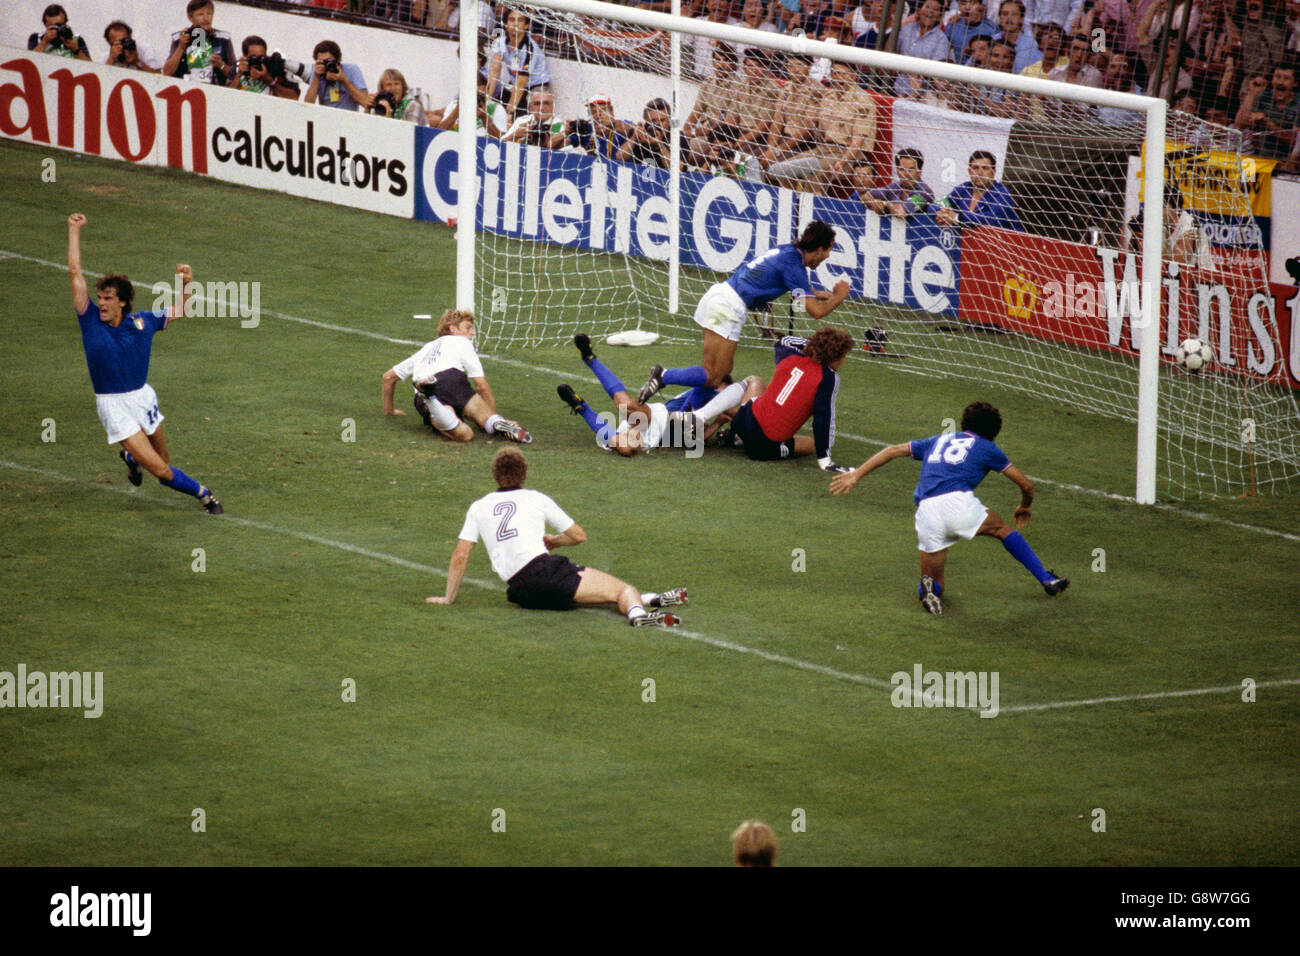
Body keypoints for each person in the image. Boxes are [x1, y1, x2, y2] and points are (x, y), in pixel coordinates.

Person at [829, 401, 1068, 614]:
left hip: (926, 512)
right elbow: (1026, 485)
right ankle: (1046, 579)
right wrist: (1025, 505)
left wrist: (856, 474)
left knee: (935, 582)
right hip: (958, 504)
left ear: (964, 423)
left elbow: (893, 451)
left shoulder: (938, 440)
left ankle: (929, 590)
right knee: (1002, 530)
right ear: (994, 432)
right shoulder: (987, 448)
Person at [65, 214, 223, 515]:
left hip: (142, 396)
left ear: (122, 302)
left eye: (108, 298)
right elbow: (75, 272)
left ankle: (130, 459)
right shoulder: (89, 321)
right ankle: (205, 495)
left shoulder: (143, 321)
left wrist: (185, 283)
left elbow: (183, 310)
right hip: (113, 404)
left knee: (163, 460)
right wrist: (74, 229)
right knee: (160, 471)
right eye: (100, 297)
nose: (102, 303)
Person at [426, 449, 686, 626]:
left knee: (600, 595)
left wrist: (448, 598)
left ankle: (653, 599)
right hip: (545, 573)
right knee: (622, 590)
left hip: (521, 592)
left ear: (495, 475)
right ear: (524, 474)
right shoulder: (536, 498)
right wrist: (554, 541)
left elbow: (461, 554)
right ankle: (638, 614)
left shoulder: (479, 506)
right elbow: (578, 536)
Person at [635, 220, 850, 400]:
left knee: (716, 373)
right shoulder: (795, 267)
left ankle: (689, 413)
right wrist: (840, 295)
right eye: (829, 250)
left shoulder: (788, 251)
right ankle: (664, 376)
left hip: (719, 295)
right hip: (728, 308)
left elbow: (788, 281)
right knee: (713, 375)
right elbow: (816, 312)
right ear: (820, 249)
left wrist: (815, 292)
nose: (828, 256)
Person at [688, 327, 856, 472]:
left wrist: (817, 344)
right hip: (762, 448)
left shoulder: (790, 355)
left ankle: (705, 415)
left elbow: (785, 340)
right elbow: (822, 418)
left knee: (755, 381)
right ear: (835, 356)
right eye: (843, 355)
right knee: (809, 444)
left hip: (743, 421)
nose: (844, 360)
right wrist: (825, 460)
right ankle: (734, 436)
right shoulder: (828, 378)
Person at [556, 335, 743, 457]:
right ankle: (590, 359)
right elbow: (689, 413)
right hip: (658, 417)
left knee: (622, 444)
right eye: (720, 388)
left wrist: (719, 422)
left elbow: (699, 436)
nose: (720, 393)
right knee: (626, 408)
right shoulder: (704, 390)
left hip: (652, 435)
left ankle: (580, 406)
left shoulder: (719, 403)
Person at [381, 309, 531, 443]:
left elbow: (388, 378)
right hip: (453, 379)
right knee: (484, 419)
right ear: (452, 329)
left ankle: (429, 397)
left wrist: (389, 412)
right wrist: (489, 414)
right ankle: (496, 423)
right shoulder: (462, 342)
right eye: (468, 328)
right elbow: (481, 385)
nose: (472, 333)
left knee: (465, 434)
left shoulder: (426, 348)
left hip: (429, 383)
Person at [931, 150, 1023, 231]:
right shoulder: (963, 189)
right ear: (969, 171)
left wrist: (956, 217)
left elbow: (990, 219)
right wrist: (943, 213)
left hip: (1006, 246)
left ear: (993, 172)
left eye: (985, 168)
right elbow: (934, 206)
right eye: (975, 168)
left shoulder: (1002, 193)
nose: (979, 173)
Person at [486, 8, 552, 120]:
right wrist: (487, 99)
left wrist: (509, 111)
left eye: (520, 20)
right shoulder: (500, 42)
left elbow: (522, 83)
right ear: (505, 24)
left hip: (535, 88)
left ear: (526, 26)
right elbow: (494, 71)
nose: (515, 24)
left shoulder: (530, 49)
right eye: (511, 20)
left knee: (515, 117)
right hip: (515, 83)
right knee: (492, 110)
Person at [164, 0, 237, 87]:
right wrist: (181, 47)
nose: (206, 18)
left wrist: (221, 65)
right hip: (184, 89)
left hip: (215, 91)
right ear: (190, 17)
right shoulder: (180, 37)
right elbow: (167, 72)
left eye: (209, 14)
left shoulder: (223, 38)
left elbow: (235, 76)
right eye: (200, 14)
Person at [1235, 61, 1298, 159]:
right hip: (1259, 156)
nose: (1280, 82)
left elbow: (1295, 142)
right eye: (1277, 77)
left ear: (1295, 83)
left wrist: (1267, 123)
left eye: (1286, 78)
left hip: (1288, 161)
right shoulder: (1264, 96)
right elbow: (1238, 125)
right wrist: (1252, 93)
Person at [863, 148, 935, 218]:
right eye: (902, 169)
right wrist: (874, 202)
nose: (906, 174)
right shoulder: (894, 187)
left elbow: (901, 212)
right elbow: (865, 196)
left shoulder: (925, 192)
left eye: (911, 169)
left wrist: (885, 204)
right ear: (897, 171)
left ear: (920, 172)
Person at [304, 41, 368, 111]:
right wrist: (316, 78)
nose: (326, 65)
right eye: (322, 62)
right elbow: (307, 106)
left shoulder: (351, 70)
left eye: (329, 61)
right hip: (326, 117)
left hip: (348, 117)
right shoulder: (317, 72)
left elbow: (365, 102)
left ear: (338, 59)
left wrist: (344, 80)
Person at [565, 95, 633, 161]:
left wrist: (614, 125)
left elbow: (639, 132)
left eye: (602, 110)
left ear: (612, 113)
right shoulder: (587, 129)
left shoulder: (622, 126)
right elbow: (555, 145)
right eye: (593, 112)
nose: (598, 115)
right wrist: (566, 131)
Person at [234, 37, 301, 99]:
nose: (258, 62)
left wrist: (268, 80)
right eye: (253, 57)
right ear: (245, 56)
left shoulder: (276, 71)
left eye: (261, 57)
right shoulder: (237, 70)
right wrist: (239, 74)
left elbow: (294, 97)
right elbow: (226, 96)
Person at [616, 98, 674, 169]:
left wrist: (659, 145)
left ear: (669, 119)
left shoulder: (677, 136)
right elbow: (620, 158)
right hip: (639, 176)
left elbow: (678, 169)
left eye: (662, 120)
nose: (657, 124)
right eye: (653, 121)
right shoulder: (640, 132)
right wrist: (634, 138)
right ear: (646, 120)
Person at [993, 0, 1044, 74]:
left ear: (1022, 19)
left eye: (1014, 14)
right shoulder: (992, 41)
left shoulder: (1031, 45)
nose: (1009, 18)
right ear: (1000, 18)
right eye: (1005, 14)